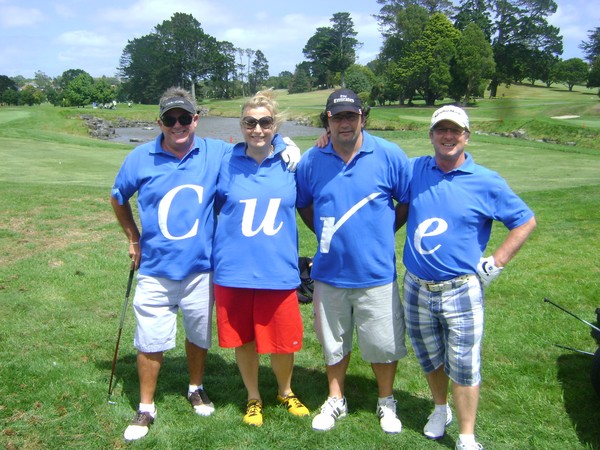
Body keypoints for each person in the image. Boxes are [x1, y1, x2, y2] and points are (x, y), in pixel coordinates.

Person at [110, 87, 300, 442]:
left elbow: (258, 143)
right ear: (160, 122)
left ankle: (195, 386)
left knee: (198, 335)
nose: (178, 124)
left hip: (200, 267)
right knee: (151, 340)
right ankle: (146, 405)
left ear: (196, 120)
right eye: (171, 119)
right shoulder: (139, 158)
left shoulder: (217, 152)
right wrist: (133, 238)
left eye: (185, 117)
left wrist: (288, 143)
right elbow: (118, 196)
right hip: (155, 267)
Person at [400, 105, 537, 450]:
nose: (448, 136)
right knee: (429, 357)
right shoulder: (415, 169)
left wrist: (498, 261)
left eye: (455, 131)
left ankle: (465, 435)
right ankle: (439, 408)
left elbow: (525, 221)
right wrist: (327, 140)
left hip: (461, 288)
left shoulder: (486, 180)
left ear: (466, 136)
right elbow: (373, 166)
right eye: (441, 130)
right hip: (416, 285)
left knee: (463, 364)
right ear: (431, 136)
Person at [296, 89, 410, 434]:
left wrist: (381, 231)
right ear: (327, 121)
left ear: (363, 117)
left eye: (351, 116)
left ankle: (386, 400)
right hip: (330, 273)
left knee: (383, 343)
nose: (345, 123)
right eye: (337, 117)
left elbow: (404, 201)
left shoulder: (388, 154)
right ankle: (336, 398)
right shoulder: (311, 160)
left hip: (376, 272)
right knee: (333, 341)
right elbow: (304, 204)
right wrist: (325, 234)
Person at [212, 90, 309, 427]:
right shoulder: (225, 161)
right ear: (241, 125)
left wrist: (291, 144)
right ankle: (253, 397)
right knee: (245, 338)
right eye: (250, 122)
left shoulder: (291, 163)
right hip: (234, 269)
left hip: (277, 268)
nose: (257, 129)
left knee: (283, 339)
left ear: (275, 125)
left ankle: (285, 390)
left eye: (265, 122)